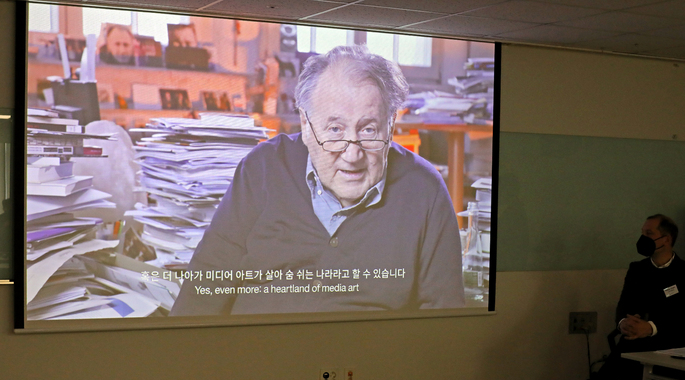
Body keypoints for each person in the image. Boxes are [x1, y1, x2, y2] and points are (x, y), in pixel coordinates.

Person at [170, 45, 464, 317]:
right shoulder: (264, 168)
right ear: (306, 125)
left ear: (391, 125)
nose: (352, 154)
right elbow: (204, 287)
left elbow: (442, 322)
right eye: (335, 129)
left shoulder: (424, 189)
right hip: (254, 360)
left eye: (369, 130)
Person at [553, 214, 685, 380]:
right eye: (642, 233)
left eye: (649, 234)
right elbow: (624, 304)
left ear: (667, 239)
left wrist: (651, 327)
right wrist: (624, 322)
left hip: (673, 342)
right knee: (631, 355)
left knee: (629, 352)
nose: (642, 238)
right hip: (639, 341)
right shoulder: (637, 269)